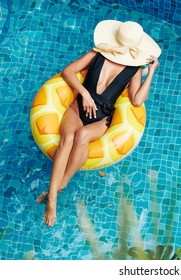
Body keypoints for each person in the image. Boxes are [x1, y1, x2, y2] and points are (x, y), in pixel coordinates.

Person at [36, 20, 161, 227]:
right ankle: (52, 199)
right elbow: (68, 72)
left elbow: (137, 100)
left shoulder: (134, 70)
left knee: (82, 136)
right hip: (77, 109)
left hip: (101, 119)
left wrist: (152, 71)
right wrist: (84, 93)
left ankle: (60, 185)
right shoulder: (97, 53)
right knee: (67, 139)